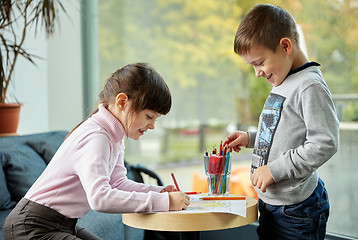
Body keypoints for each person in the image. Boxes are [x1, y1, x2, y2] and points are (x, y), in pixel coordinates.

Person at [3, 63, 190, 240]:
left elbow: (117, 183)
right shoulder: (97, 137)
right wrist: (164, 202)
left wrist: (160, 193)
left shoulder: (113, 136)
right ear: (122, 102)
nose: (152, 126)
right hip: (33, 226)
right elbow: (100, 198)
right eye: (149, 116)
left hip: (60, 224)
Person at [225, 4, 339, 240]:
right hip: (271, 204)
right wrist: (250, 139)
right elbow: (281, 132)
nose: (257, 72)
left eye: (259, 63)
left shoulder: (310, 86)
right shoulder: (284, 80)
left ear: (285, 46)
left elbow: (324, 143)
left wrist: (274, 170)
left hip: (296, 210)